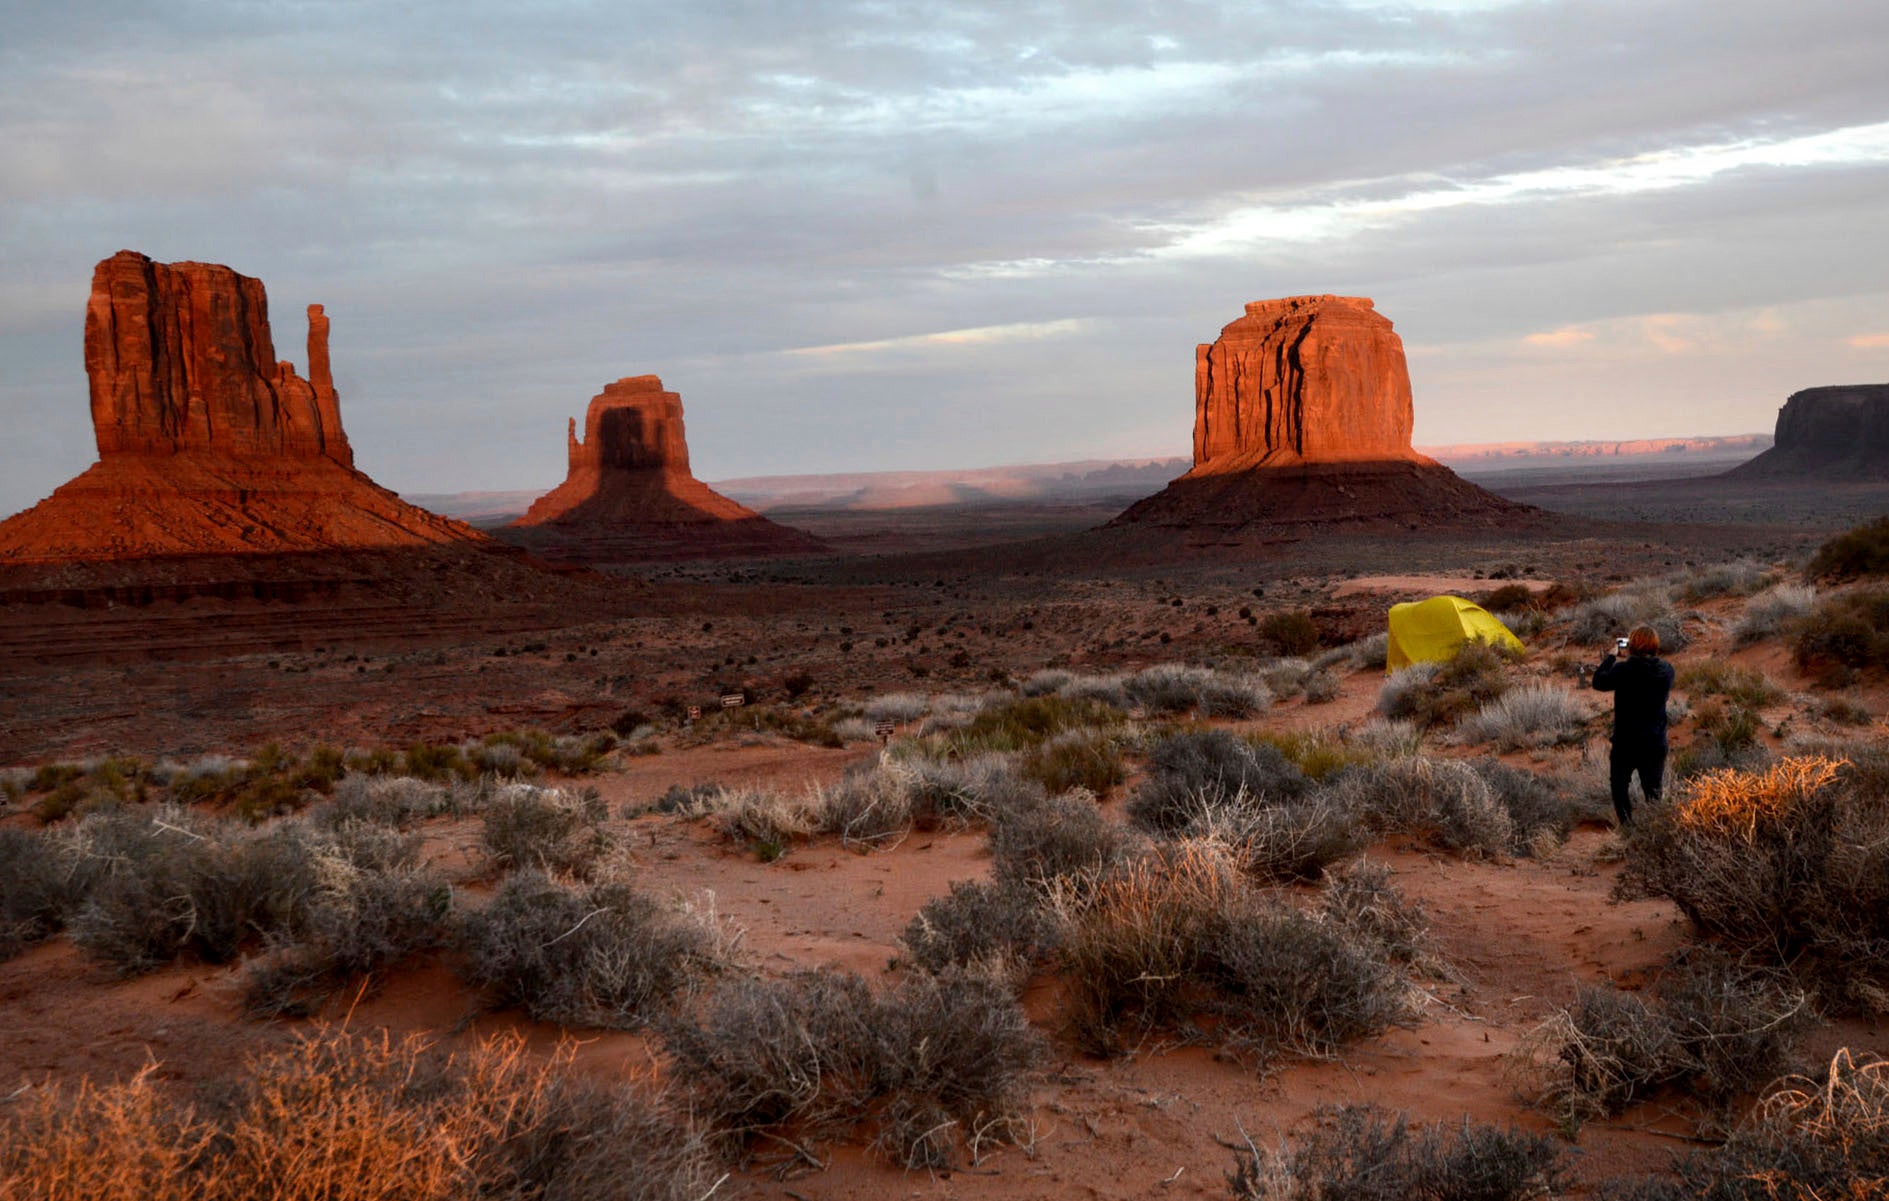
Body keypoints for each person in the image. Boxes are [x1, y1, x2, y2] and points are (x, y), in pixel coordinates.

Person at [1591, 624, 1675, 827]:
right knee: (1654, 791)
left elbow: (1598, 682)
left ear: (1633, 646)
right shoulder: (1666, 670)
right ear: (1655, 645)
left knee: (1619, 788)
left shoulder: (1623, 670)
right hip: (1654, 742)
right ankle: (1656, 833)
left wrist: (1611, 657)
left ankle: (1627, 827)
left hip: (1626, 742)